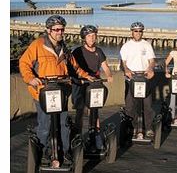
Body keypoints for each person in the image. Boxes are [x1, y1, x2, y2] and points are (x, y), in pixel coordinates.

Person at [19, 15, 94, 163]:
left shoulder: (63, 48)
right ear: (48, 30)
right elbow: (24, 63)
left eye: (62, 29)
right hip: (42, 91)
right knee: (45, 124)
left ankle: (65, 152)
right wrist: (30, 78)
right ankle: (44, 153)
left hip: (61, 91)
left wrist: (86, 76)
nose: (60, 32)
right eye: (56, 29)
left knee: (63, 124)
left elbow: (75, 66)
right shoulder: (38, 45)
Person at [70, 25, 113, 149]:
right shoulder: (78, 51)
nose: (92, 38)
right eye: (89, 36)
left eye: (94, 36)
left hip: (95, 83)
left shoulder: (99, 51)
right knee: (80, 110)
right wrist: (78, 79)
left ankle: (96, 134)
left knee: (94, 110)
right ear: (84, 38)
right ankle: (77, 135)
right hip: (81, 83)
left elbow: (105, 67)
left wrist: (109, 76)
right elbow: (73, 68)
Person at [120, 21, 156, 140]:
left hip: (144, 77)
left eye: (140, 31)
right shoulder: (126, 46)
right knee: (130, 106)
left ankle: (149, 127)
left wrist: (150, 69)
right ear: (132, 32)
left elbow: (151, 61)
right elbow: (124, 63)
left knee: (147, 105)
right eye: (136, 31)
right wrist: (126, 70)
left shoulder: (147, 45)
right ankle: (133, 127)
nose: (138, 33)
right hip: (131, 78)